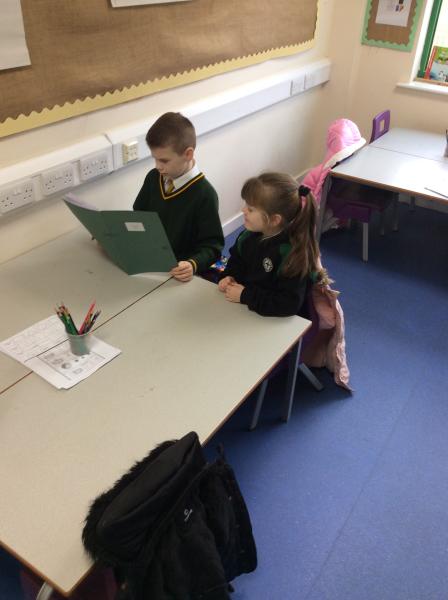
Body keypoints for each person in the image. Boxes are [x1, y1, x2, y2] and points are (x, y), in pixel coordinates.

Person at [218, 172, 329, 317]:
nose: (243, 210)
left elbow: (288, 304)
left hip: (276, 319)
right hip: (247, 309)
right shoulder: (247, 236)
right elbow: (236, 264)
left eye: (250, 209)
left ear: (275, 220)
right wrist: (229, 277)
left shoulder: (292, 254)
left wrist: (245, 296)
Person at [133, 112, 224, 282]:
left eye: (164, 161)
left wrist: (192, 264)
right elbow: (138, 216)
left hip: (178, 274)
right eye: (155, 159)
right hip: (149, 265)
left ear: (188, 154)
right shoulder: (153, 177)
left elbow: (212, 247)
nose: (158, 166)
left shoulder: (205, 194)